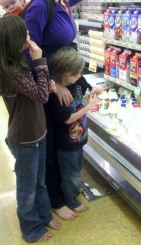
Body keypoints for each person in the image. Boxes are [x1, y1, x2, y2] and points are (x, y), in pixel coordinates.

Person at [24, 0, 132, 220]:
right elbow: (26, 50)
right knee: (51, 144)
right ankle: (56, 200)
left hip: (65, 78)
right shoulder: (40, 5)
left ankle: (65, 189)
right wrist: (52, 83)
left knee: (66, 136)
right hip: (48, 85)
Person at [0, 15, 60, 243]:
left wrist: (45, 82)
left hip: (37, 132)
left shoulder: (16, 63)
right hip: (25, 138)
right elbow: (41, 96)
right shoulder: (12, 72)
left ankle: (44, 214)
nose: (29, 36)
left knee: (39, 181)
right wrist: (40, 62)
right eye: (25, 34)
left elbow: (38, 92)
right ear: (14, 41)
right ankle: (31, 229)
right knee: (27, 190)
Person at [48, 47, 102, 212]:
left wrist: (95, 90)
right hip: (66, 141)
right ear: (62, 73)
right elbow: (66, 119)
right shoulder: (57, 95)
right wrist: (88, 107)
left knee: (77, 167)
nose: (79, 75)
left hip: (79, 137)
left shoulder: (78, 81)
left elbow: (87, 86)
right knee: (69, 171)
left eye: (80, 72)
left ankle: (72, 187)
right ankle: (71, 201)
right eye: (75, 73)